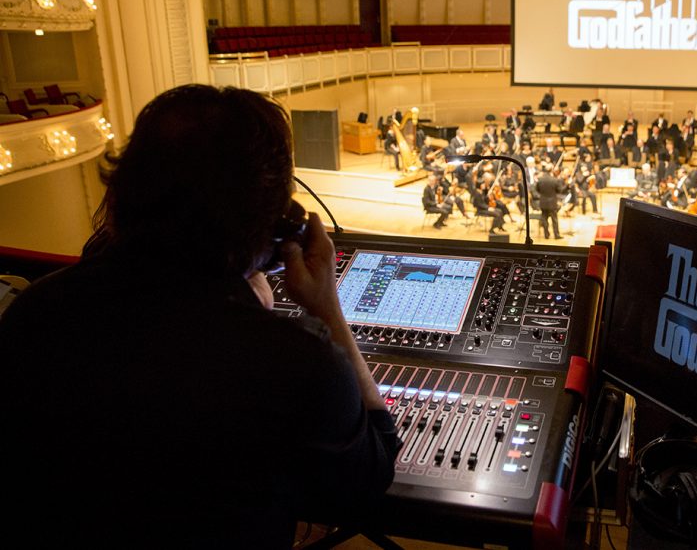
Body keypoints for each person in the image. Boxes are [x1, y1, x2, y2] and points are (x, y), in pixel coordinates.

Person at [0, 85, 398, 548]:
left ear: (120, 199)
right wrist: (327, 309)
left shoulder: (32, 314)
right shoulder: (295, 362)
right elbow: (370, 476)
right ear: (277, 225)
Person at [534, 163, 563, 239]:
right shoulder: (555, 180)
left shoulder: (540, 179)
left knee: (544, 218)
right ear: (551, 170)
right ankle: (556, 235)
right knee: (554, 219)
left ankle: (546, 235)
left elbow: (537, 190)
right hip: (552, 202)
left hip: (543, 202)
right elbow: (559, 190)